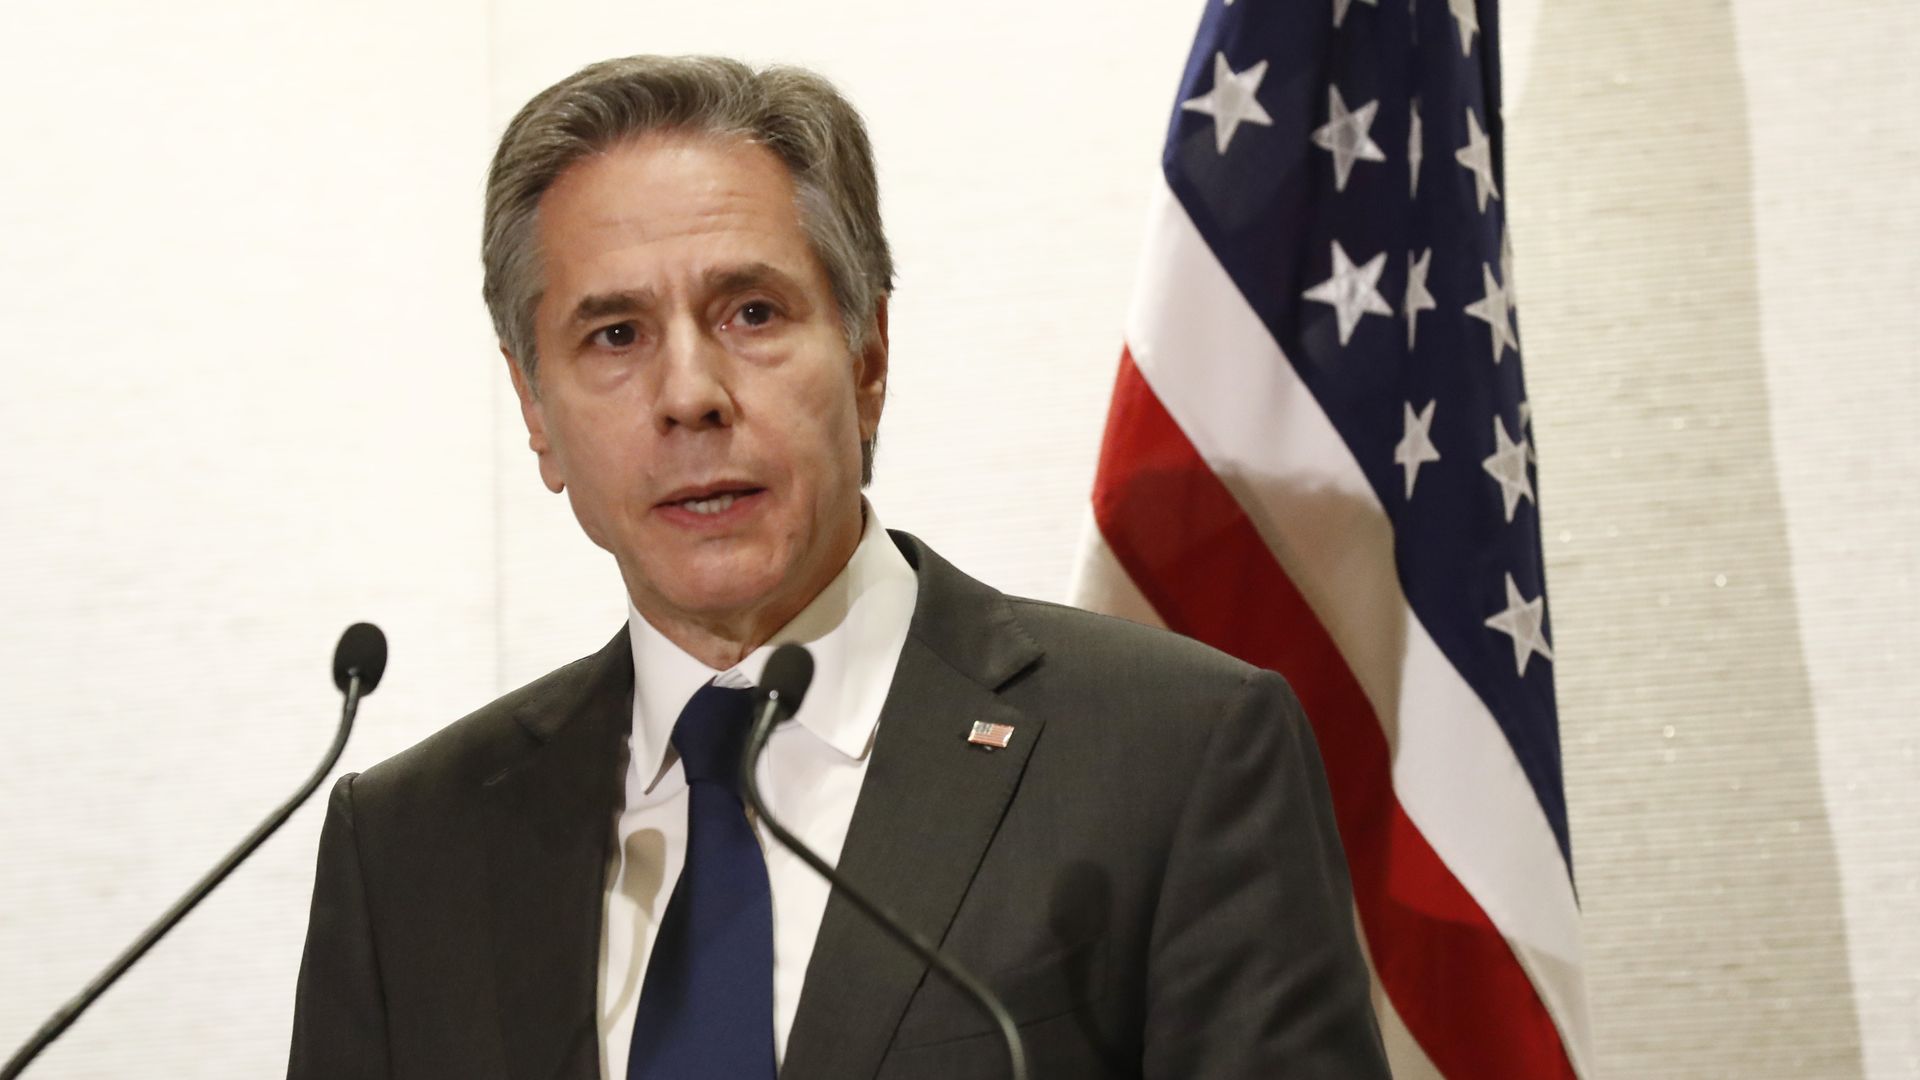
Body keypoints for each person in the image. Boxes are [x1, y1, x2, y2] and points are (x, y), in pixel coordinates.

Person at [289, 55, 1388, 1080]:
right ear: (535, 409)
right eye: (614, 336)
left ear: (868, 357)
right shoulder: (407, 848)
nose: (689, 395)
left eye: (752, 312)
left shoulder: (1174, 759)